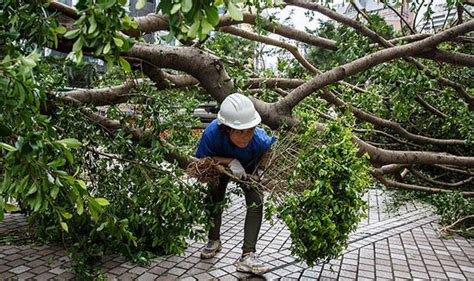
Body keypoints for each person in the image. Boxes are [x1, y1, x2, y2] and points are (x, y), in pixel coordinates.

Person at [195, 93, 275, 274]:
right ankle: (213, 240)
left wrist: (260, 170)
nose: (246, 136)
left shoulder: (259, 138)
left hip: (248, 170)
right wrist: (228, 161)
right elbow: (201, 159)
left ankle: (248, 256)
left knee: (256, 201)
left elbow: (268, 150)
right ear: (226, 129)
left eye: (250, 130)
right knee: (214, 198)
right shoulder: (212, 135)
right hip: (219, 167)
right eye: (240, 131)